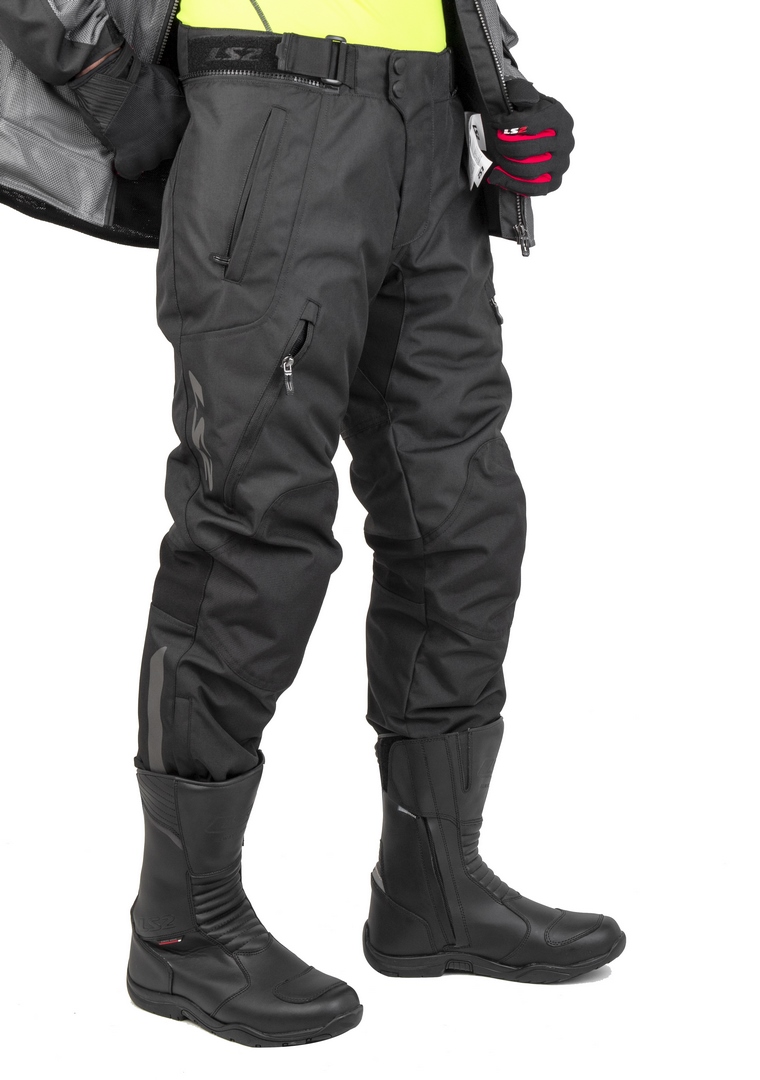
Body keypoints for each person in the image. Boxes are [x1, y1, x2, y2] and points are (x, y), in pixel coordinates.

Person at [0, 0, 625, 1049]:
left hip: (430, 133)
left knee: (463, 511)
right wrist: (106, 79)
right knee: (258, 518)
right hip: (269, 112)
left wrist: (505, 91)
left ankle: (434, 883)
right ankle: (183, 925)